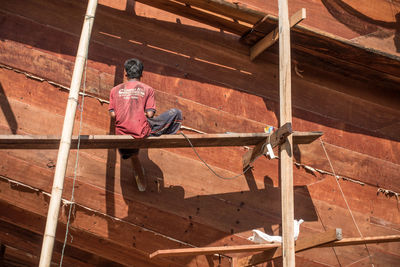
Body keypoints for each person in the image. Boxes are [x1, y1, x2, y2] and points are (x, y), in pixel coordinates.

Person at [109, 58, 182, 191]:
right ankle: (163, 137)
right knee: (176, 113)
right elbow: (150, 115)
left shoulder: (115, 90)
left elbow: (113, 115)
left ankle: (132, 156)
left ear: (126, 73)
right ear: (141, 74)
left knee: (132, 133)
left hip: (121, 134)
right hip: (140, 132)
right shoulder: (147, 89)